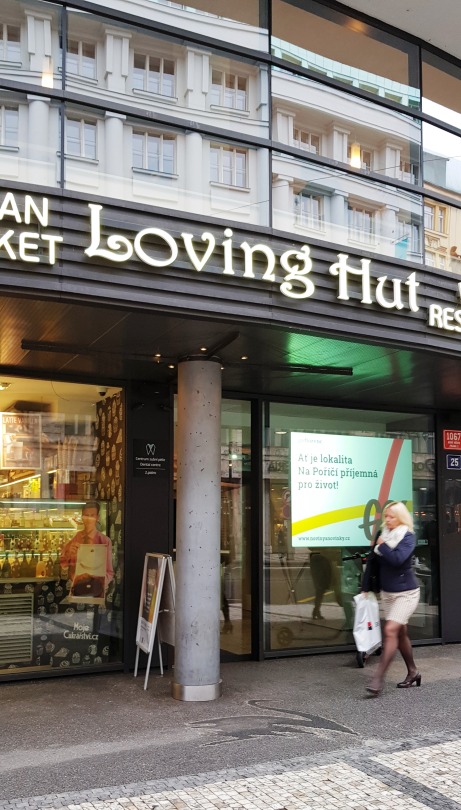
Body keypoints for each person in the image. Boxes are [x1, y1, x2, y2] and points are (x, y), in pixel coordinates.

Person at [362, 501, 420, 696]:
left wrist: (382, 545)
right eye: (385, 516)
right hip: (387, 593)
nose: (387, 520)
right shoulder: (383, 535)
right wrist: (365, 587)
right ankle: (413, 671)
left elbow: (397, 559)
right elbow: (372, 562)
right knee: (400, 632)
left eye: (391, 517)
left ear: (400, 518)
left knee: (390, 630)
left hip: (406, 593)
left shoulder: (408, 536)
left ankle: (378, 679)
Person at [60, 500, 114, 590]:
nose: (89, 519)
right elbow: (63, 565)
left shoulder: (105, 541)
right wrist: (68, 554)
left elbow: (109, 572)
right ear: (82, 517)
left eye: (92, 515)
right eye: (86, 515)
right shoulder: (76, 538)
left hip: (97, 590)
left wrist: (98, 584)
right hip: (77, 589)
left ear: (97, 517)